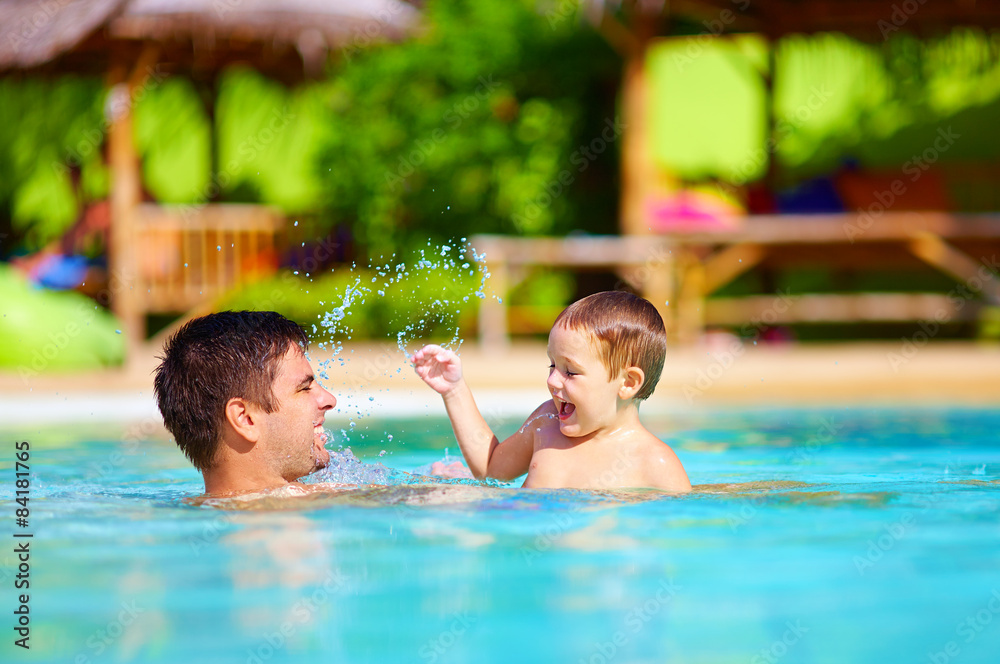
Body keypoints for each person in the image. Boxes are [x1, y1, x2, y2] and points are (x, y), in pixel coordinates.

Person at [412, 291, 691, 492]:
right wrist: (453, 390)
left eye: (570, 372)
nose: (553, 381)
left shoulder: (655, 463)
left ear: (628, 383)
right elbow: (490, 470)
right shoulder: (547, 423)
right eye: (552, 364)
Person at [154, 311, 337, 496]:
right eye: (304, 388)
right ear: (245, 418)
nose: (330, 400)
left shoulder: (183, 515)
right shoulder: (346, 502)